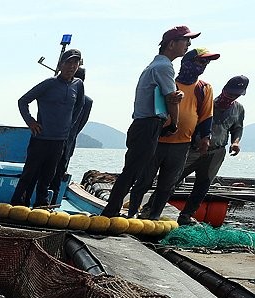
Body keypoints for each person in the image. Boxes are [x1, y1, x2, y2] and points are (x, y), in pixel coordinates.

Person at [101, 26, 196, 218]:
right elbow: (171, 99)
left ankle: (112, 210)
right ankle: (110, 212)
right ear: (171, 44)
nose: (188, 45)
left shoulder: (156, 65)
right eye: (185, 41)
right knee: (132, 171)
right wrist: (174, 123)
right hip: (148, 125)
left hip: (144, 125)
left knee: (132, 170)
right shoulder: (164, 67)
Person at [127, 46, 219, 220]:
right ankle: (132, 213)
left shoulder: (204, 88)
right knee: (144, 181)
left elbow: (207, 116)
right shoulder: (169, 81)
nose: (203, 65)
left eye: (206, 62)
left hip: (182, 144)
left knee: (167, 185)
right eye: (200, 61)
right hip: (157, 140)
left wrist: (205, 138)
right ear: (187, 62)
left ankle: (154, 216)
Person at [10, 48, 85, 207]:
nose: (71, 66)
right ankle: (18, 205)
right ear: (60, 65)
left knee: (47, 177)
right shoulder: (49, 84)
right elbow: (23, 101)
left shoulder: (78, 85)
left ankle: (41, 207)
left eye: (75, 63)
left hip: (59, 141)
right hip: (41, 138)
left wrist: (70, 126)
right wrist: (30, 122)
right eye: (68, 62)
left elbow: (80, 106)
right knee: (29, 175)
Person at [176, 74, 246, 225]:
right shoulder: (207, 103)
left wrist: (235, 142)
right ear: (223, 89)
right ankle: (153, 207)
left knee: (203, 185)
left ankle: (186, 215)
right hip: (194, 149)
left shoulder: (238, 109)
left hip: (216, 152)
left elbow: (237, 128)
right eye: (229, 93)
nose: (231, 97)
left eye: (236, 95)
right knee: (173, 178)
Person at [47, 66, 93, 199]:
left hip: (61, 141)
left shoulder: (85, 101)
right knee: (56, 172)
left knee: (54, 172)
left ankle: (50, 198)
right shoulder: (87, 101)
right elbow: (81, 124)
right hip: (66, 141)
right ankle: (52, 199)